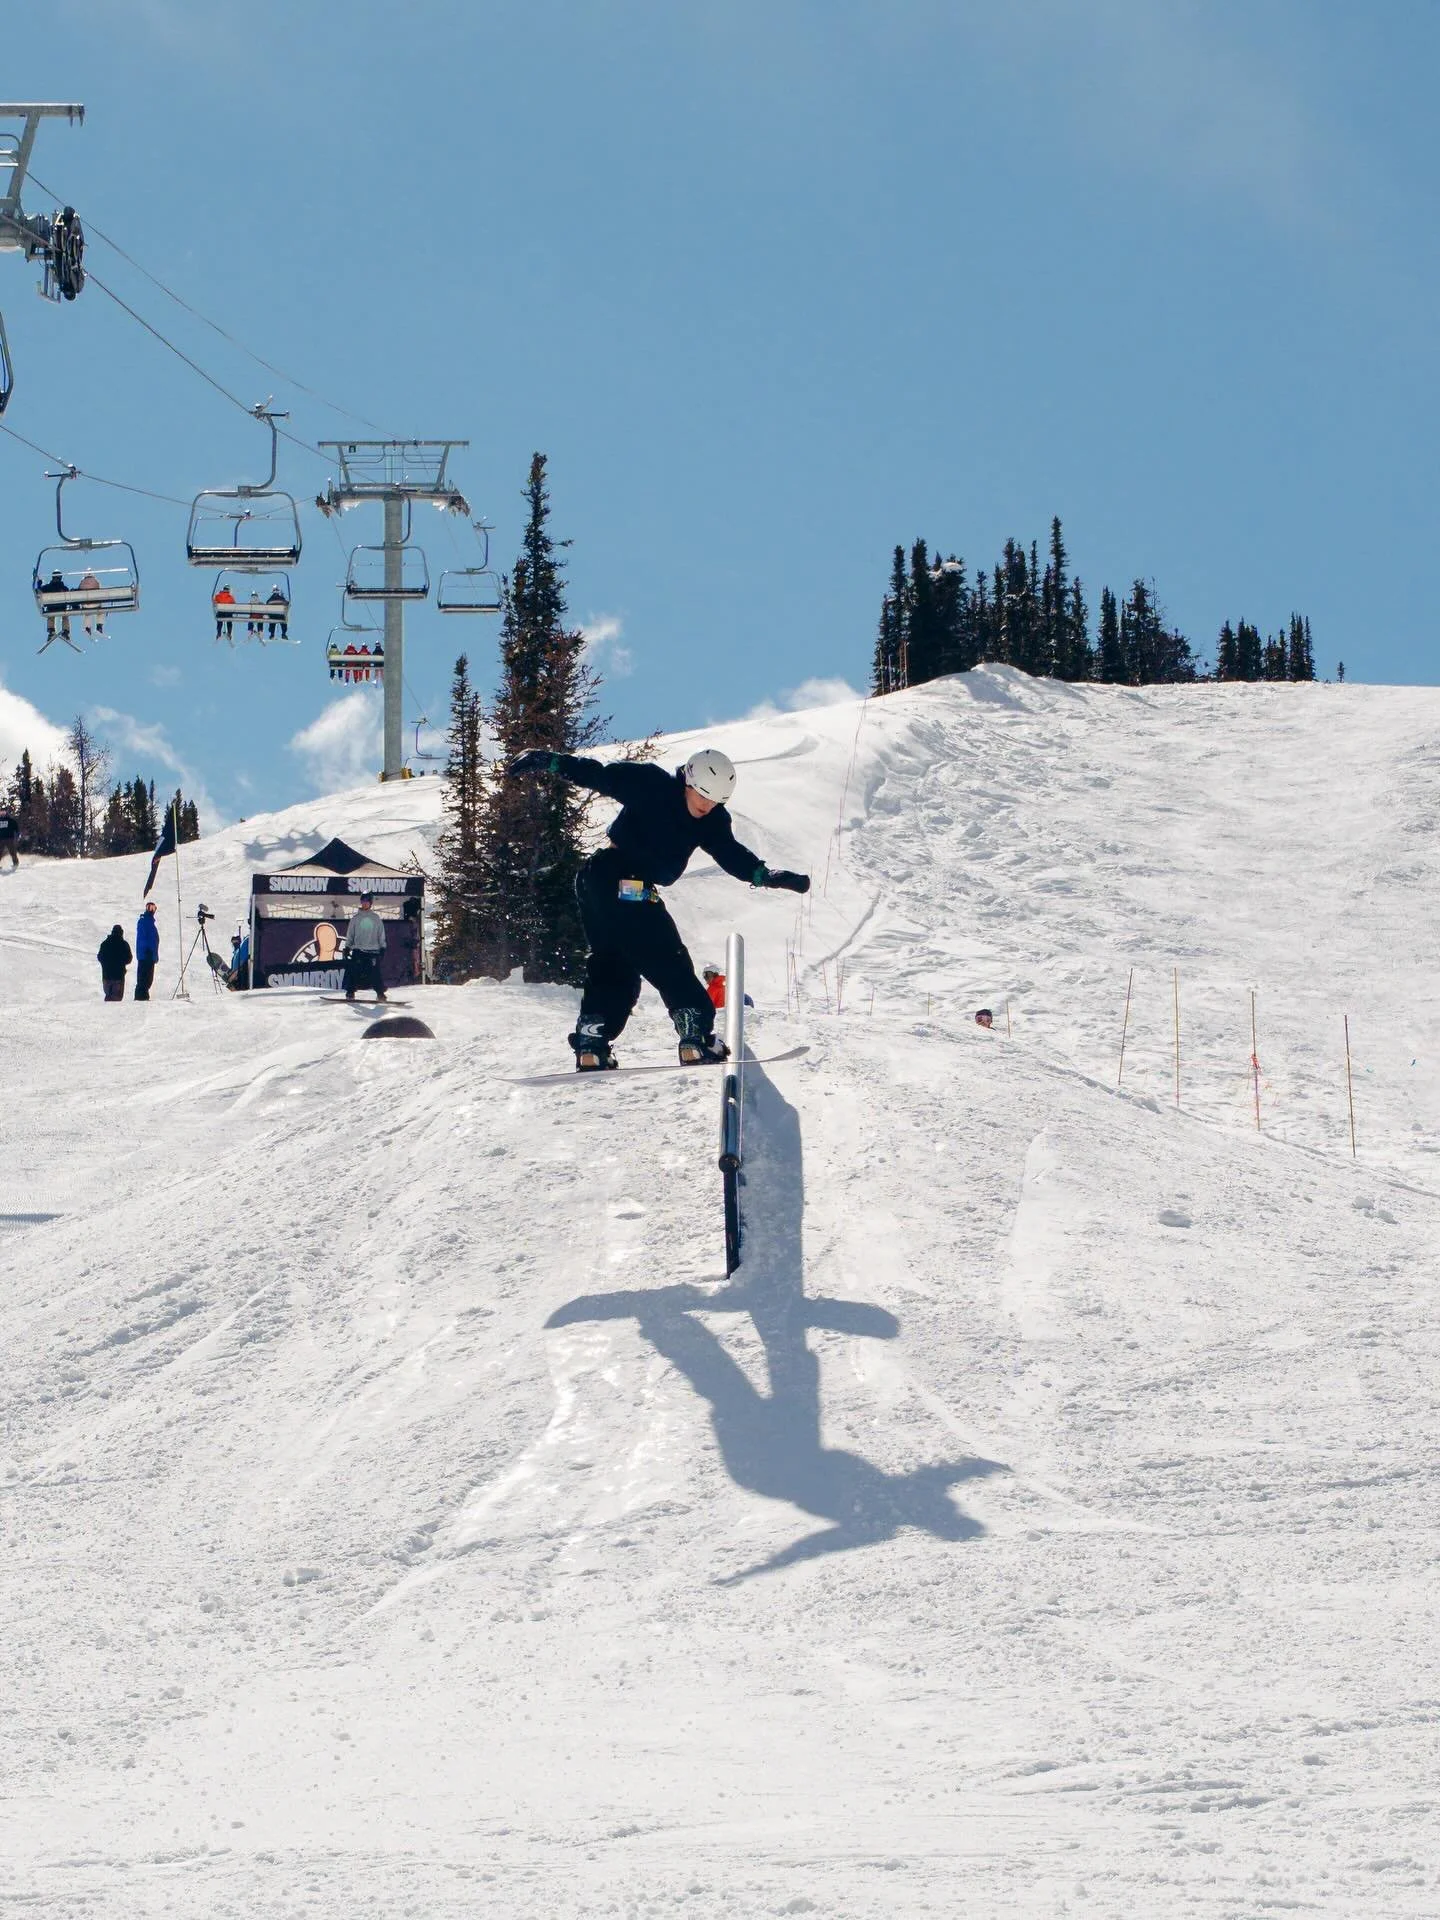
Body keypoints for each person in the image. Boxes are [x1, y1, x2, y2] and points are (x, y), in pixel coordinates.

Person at [510, 745, 809, 1070]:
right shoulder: (653, 784)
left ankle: (592, 1042)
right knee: (666, 953)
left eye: (715, 801)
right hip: (616, 876)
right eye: (702, 795)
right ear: (688, 781)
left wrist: (764, 875)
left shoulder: (712, 821)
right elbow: (600, 775)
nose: (706, 806)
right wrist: (552, 762)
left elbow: (729, 852)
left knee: (614, 963)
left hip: (600, 885)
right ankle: (695, 1036)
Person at [342, 892, 388, 1001]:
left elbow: (381, 934)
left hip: (373, 951)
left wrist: (382, 947)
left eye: (367, 901)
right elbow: (350, 934)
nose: (364, 903)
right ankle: (350, 993)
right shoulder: (355, 919)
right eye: (363, 901)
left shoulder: (376, 918)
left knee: (375, 974)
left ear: (370, 903)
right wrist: (348, 947)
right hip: (358, 950)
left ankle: (380, 994)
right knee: (353, 971)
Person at [97, 924, 132, 1002]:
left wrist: (106, 964)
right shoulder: (124, 944)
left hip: (106, 976)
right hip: (118, 976)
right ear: (121, 933)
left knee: (108, 997)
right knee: (116, 1000)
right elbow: (129, 959)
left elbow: (100, 957)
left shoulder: (105, 943)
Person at [134, 900, 160, 1000]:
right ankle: (141, 997)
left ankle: (143, 997)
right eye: (149, 907)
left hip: (149, 955)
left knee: (148, 979)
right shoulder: (144, 921)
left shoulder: (150, 923)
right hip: (146, 955)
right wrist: (147, 951)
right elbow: (143, 938)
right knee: (144, 979)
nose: (151, 910)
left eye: (153, 908)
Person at [43, 569, 71, 648]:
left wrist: (38, 583)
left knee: (50, 615)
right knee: (65, 616)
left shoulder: (47, 587)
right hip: (62, 608)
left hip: (51, 608)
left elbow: (39, 590)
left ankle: (51, 630)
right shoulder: (64, 588)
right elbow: (69, 597)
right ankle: (65, 631)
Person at [78, 569, 104, 638]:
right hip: (95, 603)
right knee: (101, 611)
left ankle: (87, 627)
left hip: (85, 604)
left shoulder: (82, 582)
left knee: (87, 613)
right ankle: (99, 626)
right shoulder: (96, 582)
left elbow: (79, 592)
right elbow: (100, 592)